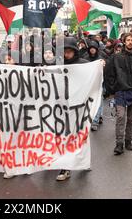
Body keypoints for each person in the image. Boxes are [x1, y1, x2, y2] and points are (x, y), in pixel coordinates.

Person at [104, 32, 132, 156]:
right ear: (124, 41)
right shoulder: (116, 57)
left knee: (131, 118)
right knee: (120, 117)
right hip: (121, 92)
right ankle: (119, 143)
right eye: (128, 40)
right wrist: (113, 89)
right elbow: (109, 74)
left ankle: (128, 140)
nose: (130, 42)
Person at [56, 37, 91, 182]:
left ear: (75, 51)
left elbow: (93, 76)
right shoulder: (58, 65)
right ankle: (65, 167)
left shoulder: (84, 64)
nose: (67, 55)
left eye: (69, 52)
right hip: (63, 107)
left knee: (81, 135)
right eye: (65, 52)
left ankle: (83, 161)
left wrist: (100, 65)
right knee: (65, 137)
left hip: (80, 106)